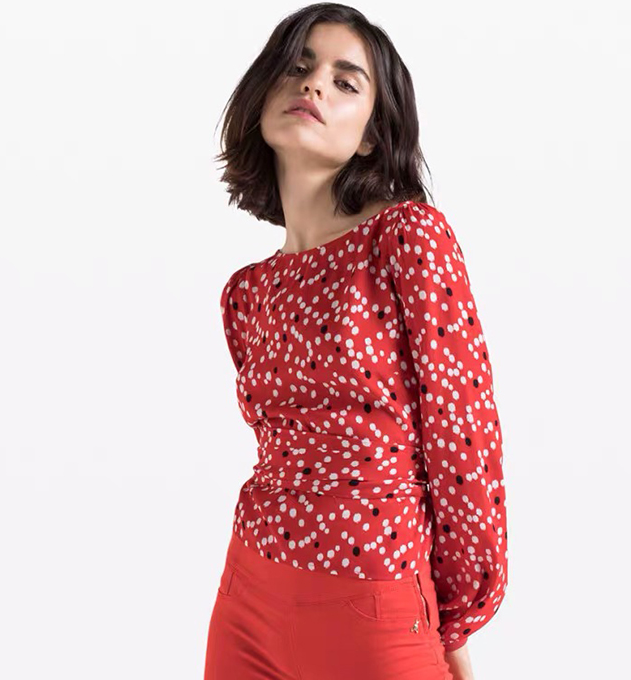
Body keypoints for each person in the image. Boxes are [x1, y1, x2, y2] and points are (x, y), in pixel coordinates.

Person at [205, 4, 508, 679]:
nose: (313, 84)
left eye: (346, 82)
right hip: (248, 599)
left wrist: (452, 622)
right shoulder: (247, 292)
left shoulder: (407, 239)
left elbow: (464, 444)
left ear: (371, 136)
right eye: (297, 66)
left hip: (373, 600)